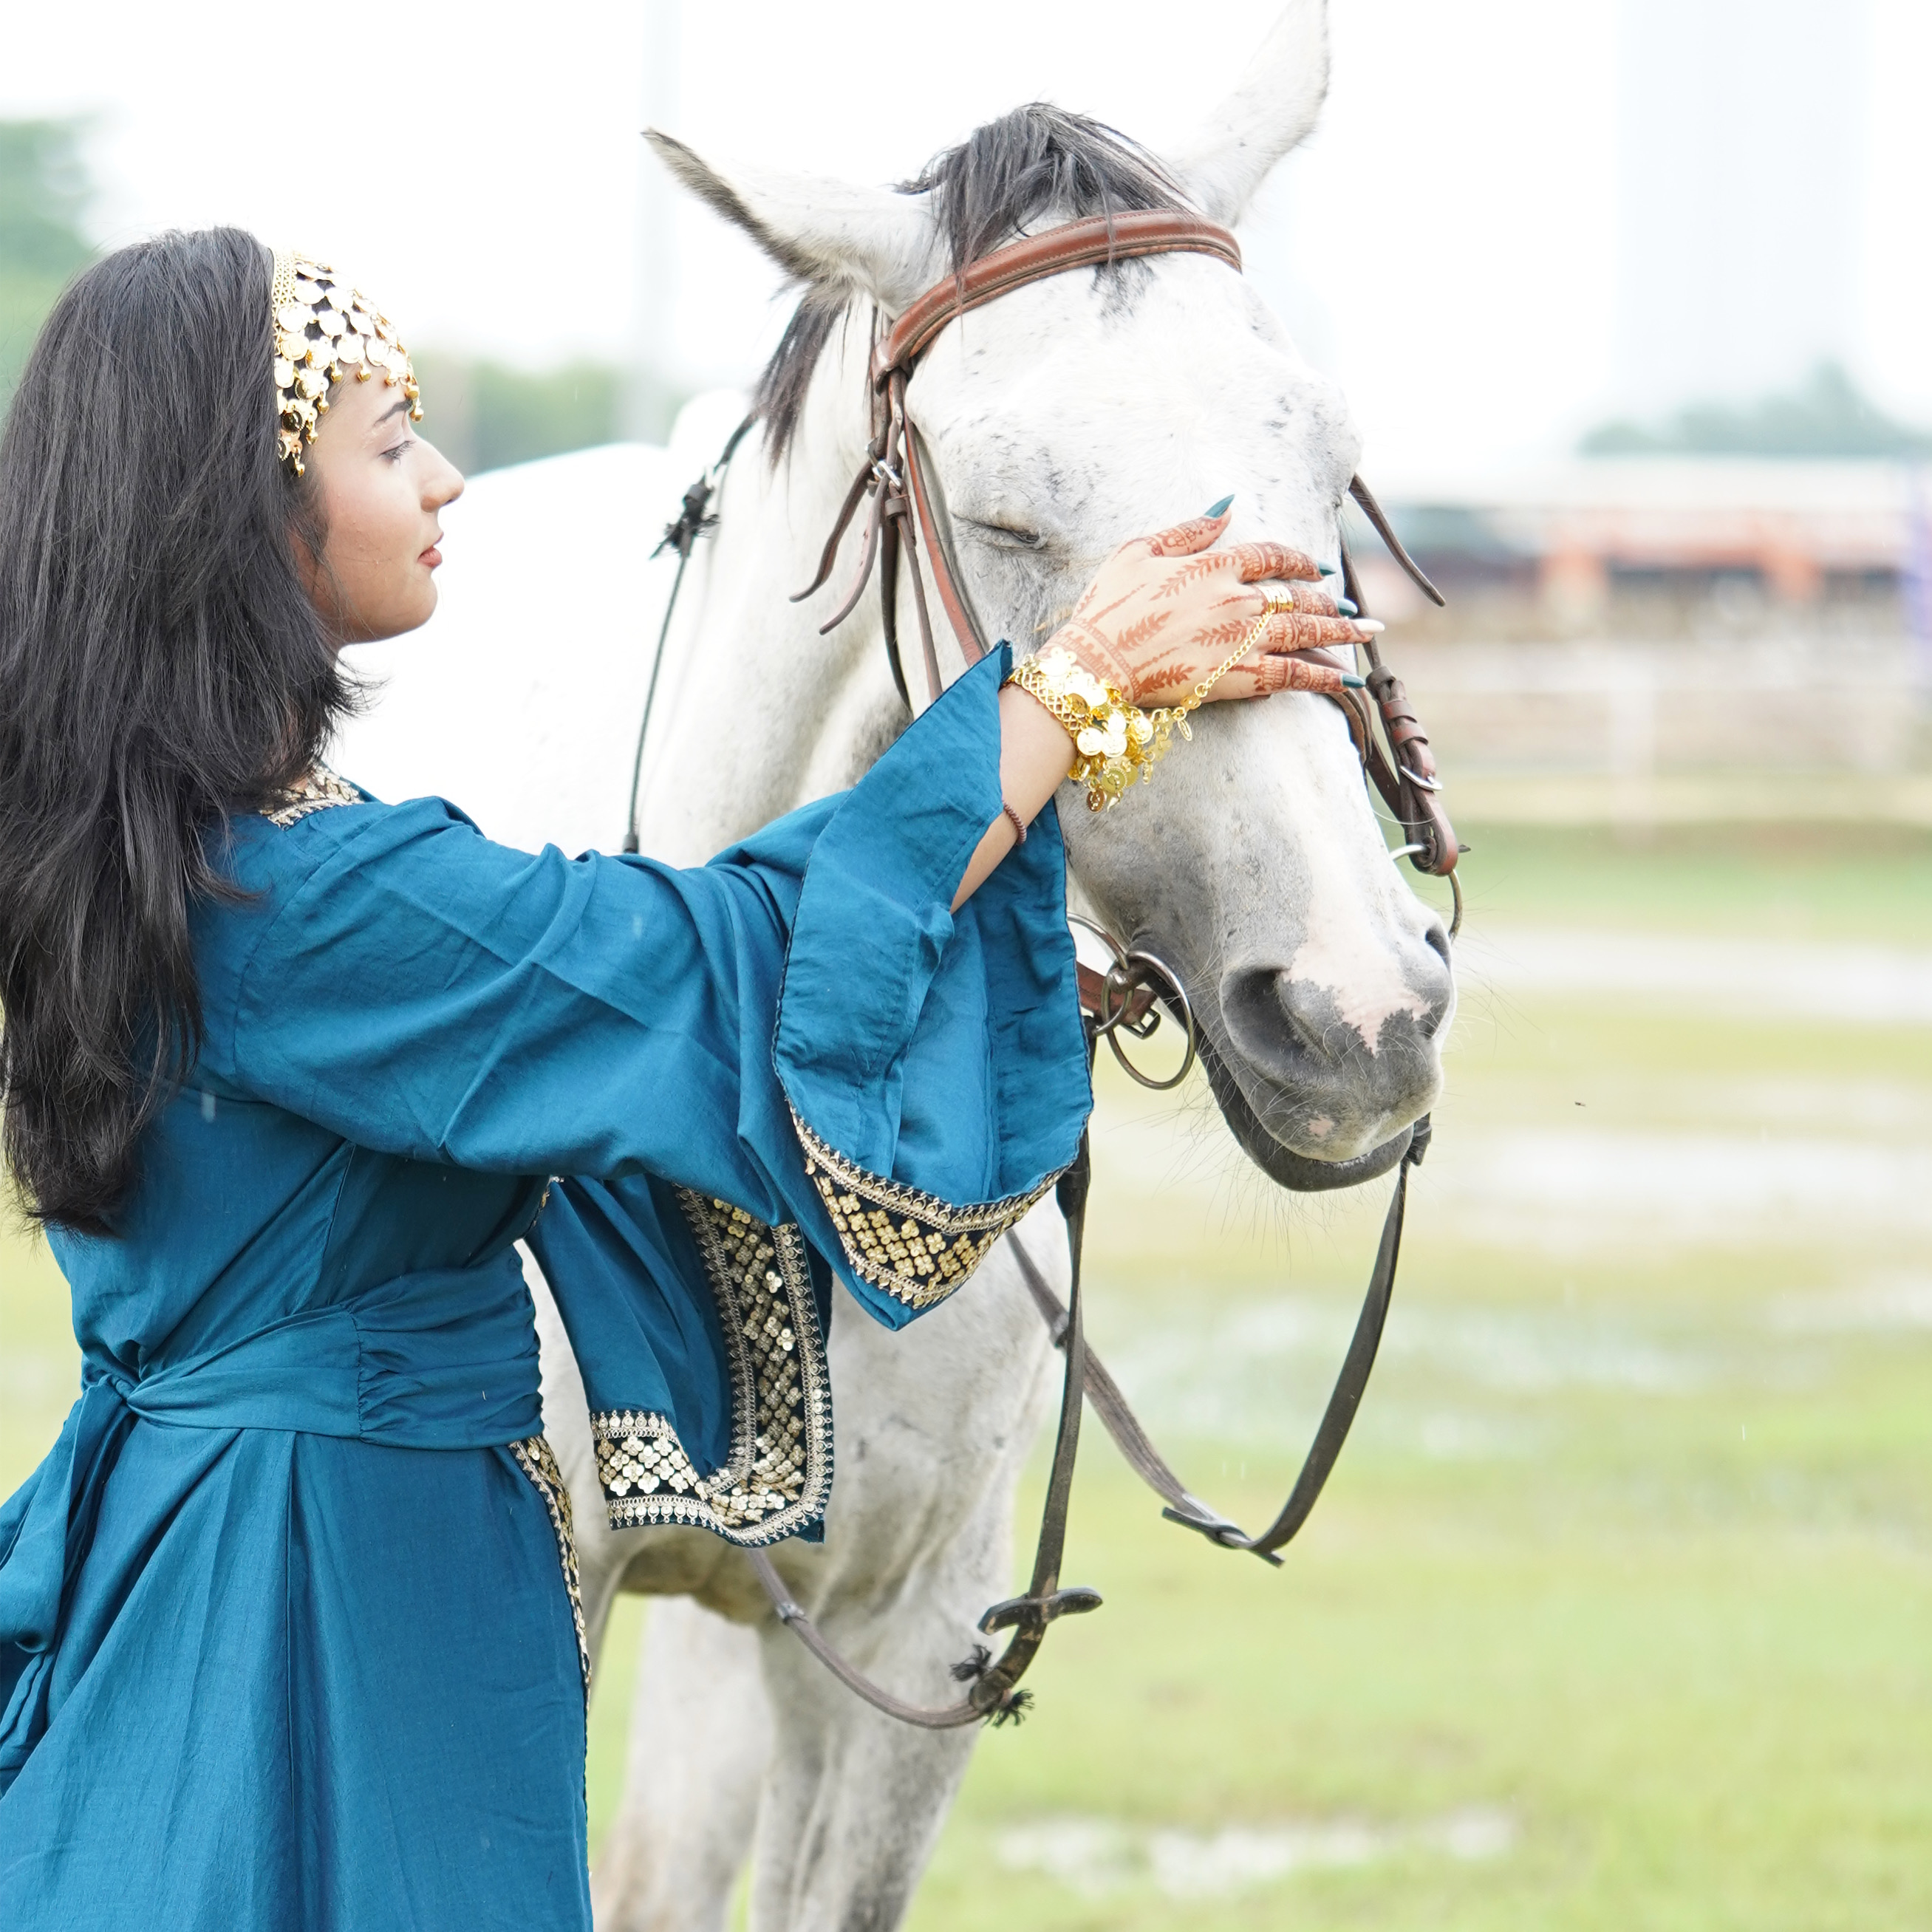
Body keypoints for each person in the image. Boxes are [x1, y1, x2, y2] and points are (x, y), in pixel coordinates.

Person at [0, 228, 1376, 1929]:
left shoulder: (203, 855)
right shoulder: (309, 900)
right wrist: (1073, 695)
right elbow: (711, 965)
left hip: (252, 1552)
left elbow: (628, 1006)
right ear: (248, 509)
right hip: (327, 1595)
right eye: (388, 441)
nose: (442, 479)